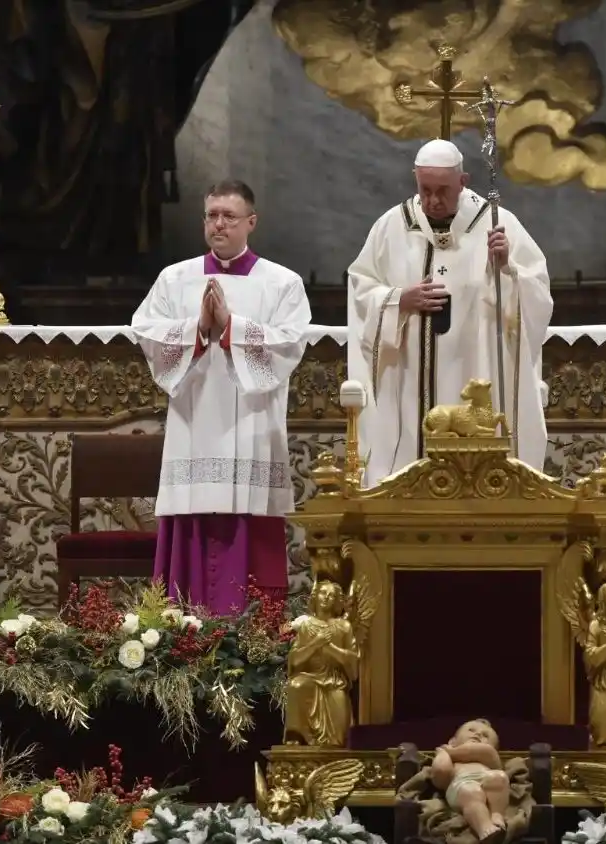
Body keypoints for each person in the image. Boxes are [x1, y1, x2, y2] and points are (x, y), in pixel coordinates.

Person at [132, 180, 311, 614]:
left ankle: (255, 637)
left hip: (252, 427)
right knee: (192, 519)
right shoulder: (175, 279)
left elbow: (289, 344)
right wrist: (196, 327)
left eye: (229, 216)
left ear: (251, 222)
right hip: (194, 425)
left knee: (251, 518)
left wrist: (232, 324)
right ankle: (182, 628)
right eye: (211, 215)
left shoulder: (282, 283)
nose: (218, 224)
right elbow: (146, 330)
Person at [347, 139, 552, 484]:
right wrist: (399, 300)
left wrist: (506, 268)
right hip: (410, 374)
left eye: (443, 191)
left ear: (464, 182)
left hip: (476, 363)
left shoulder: (499, 224)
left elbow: (537, 296)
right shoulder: (392, 226)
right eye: (424, 190)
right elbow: (361, 288)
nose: (433, 201)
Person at [431, 719, 509, 844]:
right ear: (452, 741)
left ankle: (497, 814)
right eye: (471, 730)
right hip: (461, 785)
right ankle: (485, 828)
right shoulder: (453, 762)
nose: (478, 734)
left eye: (485, 736)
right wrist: (442, 755)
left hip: (487, 778)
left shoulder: (489, 756)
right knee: (472, 793)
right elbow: (441, 772)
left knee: (499, 778)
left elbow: (484, 751)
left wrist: (451, 751)